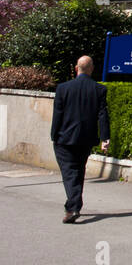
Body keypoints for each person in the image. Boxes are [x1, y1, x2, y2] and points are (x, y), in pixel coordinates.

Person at [50, 55, 110, 223]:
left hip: (65, 137)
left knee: (69, 173)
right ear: (91, 69)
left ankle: (73, 207)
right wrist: (105, 137)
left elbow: (58, 115)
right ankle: (75, 204)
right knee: (78, 171)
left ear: (77, 68)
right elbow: (103, 115)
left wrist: (54, 134)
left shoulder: (63, 88)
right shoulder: (99, 89)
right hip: (86, 138)